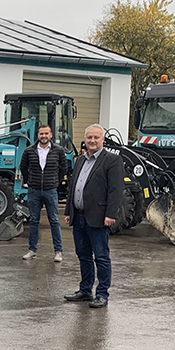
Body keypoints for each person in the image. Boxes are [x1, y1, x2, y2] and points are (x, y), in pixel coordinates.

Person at [63, 124, 124, 309]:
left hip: (98, 217)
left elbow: (115, 190)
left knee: (101, 257)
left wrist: (111, 214)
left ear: (103, 140)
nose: (92, 141)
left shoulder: (112, 160)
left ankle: (103, 294)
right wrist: (68, 211)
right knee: (83, 255)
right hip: (79, 216)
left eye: (96, 137)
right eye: (89, 137)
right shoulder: (80, 160)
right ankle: (85, 290)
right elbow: (73, 186)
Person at [19, 124, 68, 262]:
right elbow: (24, 168)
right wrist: (31, 182)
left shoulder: (58, 150)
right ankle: (32, 250)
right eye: (41, 134)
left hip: (50, 190)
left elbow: (63, 169)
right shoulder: (29, 151)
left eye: (46, 133)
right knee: (34, 220)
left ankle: (58, 251)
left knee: (54, 220)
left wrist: (54, 182)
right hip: (34, 191)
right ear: (38, 135)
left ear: (51, 135)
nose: (44, 136)